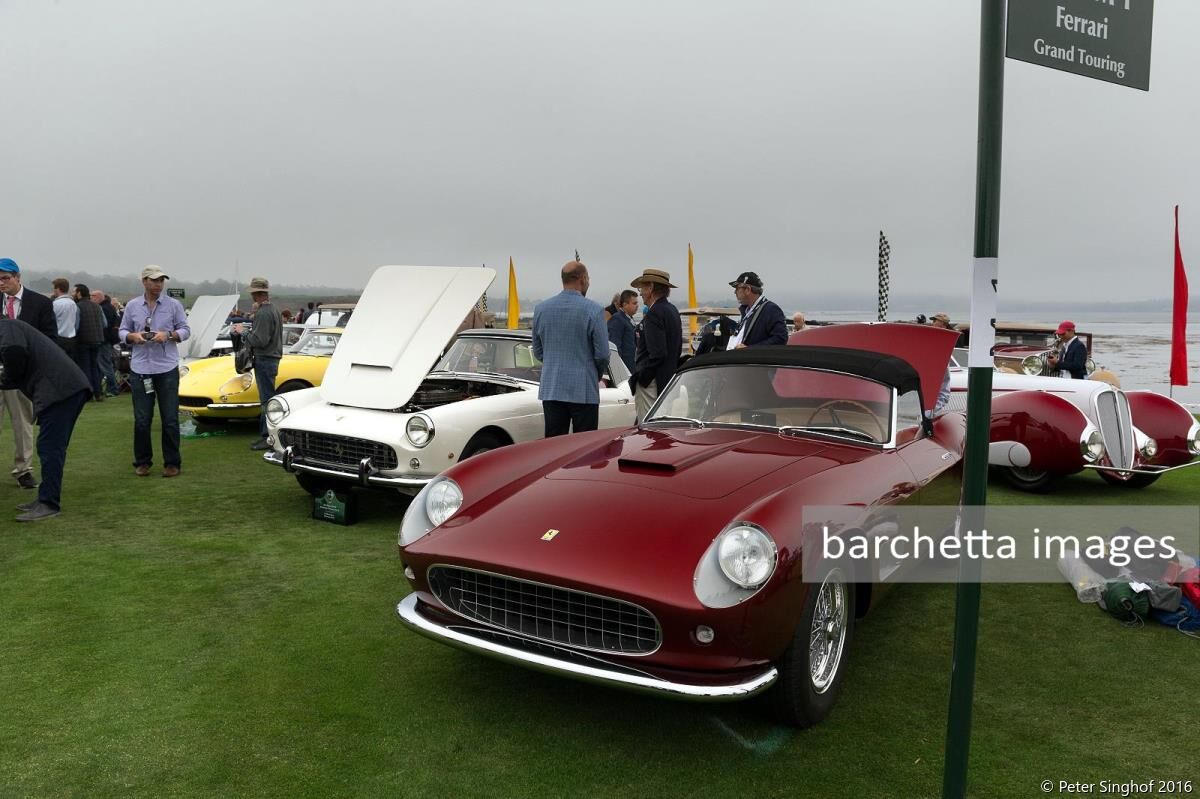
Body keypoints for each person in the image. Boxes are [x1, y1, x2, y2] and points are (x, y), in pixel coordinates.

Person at [0, 318, 91, 521]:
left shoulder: (7, 327)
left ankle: (49, 503)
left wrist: (6, 380)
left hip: (61, 390)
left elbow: (14, 352)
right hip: (64, 389)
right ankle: (44, 498)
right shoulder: (10, 327)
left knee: (50, 447)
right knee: (49, 446)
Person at [120, 265, 191, 477]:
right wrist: (132, 337)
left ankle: (172, 463)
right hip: (141, 368)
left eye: (161, 280)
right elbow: (122, 330)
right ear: (144, 281)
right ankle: (142, 462)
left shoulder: (174, 305)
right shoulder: (132, 306)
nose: (158, 284)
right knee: (142, 419)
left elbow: (186, 330)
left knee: (169, 418)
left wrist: (168, 335)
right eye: (154, 280)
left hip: (166, 368)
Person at [531, 261, 609, 437]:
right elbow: (603, 354)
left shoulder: (541, 309)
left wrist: (554, 363)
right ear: (582, 279)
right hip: (584, 388)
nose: (588, 282)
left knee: (554, 447)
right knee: (584, 447)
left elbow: (537, 351)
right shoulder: (595, 310)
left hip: (552, 388)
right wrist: (594, 373)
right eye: (588, 279)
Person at [0, 258, 58, 490]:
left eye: (5, 278)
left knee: (22, 423)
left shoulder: (40, 303)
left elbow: (49, 338)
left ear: (18, 277)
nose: (1, 283)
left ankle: (23, 469)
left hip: (22, 375)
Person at [235, 277, 283, 450]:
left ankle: (268, 437)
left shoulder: (263, 312)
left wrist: (244, 333)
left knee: (267, 400)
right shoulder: (274, 310)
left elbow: (260, 340)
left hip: (265, 358)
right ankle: (269, 436)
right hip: (271, 358)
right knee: (268, 398)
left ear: (256, 294)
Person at [629, 268, 682, 420]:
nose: (640, 293)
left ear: (651, 287)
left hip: (652, 384)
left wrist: (642, 378)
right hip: (667, 381)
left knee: (648, 428)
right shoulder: (672, 310)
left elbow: (658, 353)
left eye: (642, 288)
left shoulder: (654, 313)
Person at [727, 271, 787, 348]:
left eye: (737, 288)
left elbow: (781, 339)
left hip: (752, 359)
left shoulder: (771, 309)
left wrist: (750, 349)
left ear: (748, 289)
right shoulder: (747, 311)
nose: (735, 292)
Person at [73, 283, 106, 401]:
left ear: (79, 293)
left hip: (83, 340)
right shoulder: (97, 306)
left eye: (74, 292)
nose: (73, 294)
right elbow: (104, 324)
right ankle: (99, 393)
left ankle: (89, 394)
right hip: (97, 340)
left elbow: (76, 326)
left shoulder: (78, 306)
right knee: (95, 367)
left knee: (85, 367)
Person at [93, 290, 122, 396]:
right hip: (109, 339)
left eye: (93, 296)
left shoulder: (104, 309)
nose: (92, 298)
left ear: (100, 297)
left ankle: (113, 388)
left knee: (105, 365)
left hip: (104, 340)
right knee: (102, 365)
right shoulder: (109, 307)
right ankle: (98, 387)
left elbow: (105, 325)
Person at [928, 312, 954, 415]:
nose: (932, 323)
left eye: (935, 321)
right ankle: (930, 414)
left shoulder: (945, 336)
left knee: (942, 390)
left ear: (942, 323)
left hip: (940, 362)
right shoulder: (935, 334)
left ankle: (932, 414)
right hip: (935, 362)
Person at [606, 289, 638, 372]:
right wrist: (619, 370)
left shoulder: (629, 319)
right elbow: (614, 347)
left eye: (637, 303)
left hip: (632, 367)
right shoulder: (617, 319)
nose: (637, 306)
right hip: (624, 370)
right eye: (634, 303)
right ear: (625, 304)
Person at [50, 277, 78, 355]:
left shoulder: (56, 304)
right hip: (71, 338)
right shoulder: (73, 303)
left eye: (54, 289)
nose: (53, 291)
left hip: (59, 338)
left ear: (58, 289)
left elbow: (51, 320)